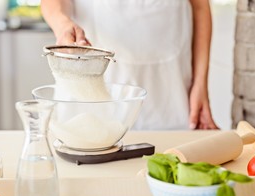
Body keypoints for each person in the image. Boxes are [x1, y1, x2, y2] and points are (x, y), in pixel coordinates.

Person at [40, 0, 219, 130]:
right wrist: (62, 24)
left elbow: (200, 6)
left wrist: (200, 83)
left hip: (171, 101)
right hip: (88, 105)